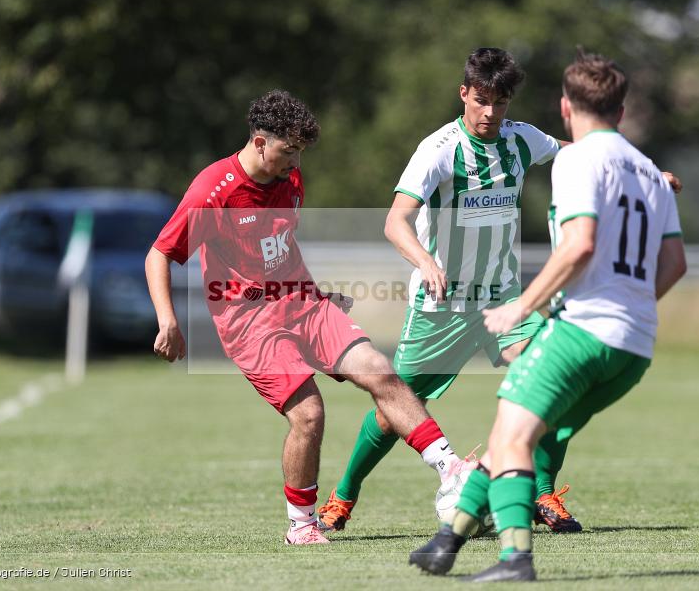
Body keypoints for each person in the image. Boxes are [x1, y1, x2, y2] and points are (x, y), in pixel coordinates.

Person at [318, 47, 681, 535]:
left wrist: (651, 177)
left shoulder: (521, 139)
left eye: (501, 102)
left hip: (505, 298)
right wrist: (425, 261)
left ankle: (545, 492)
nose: (490, 112)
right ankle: (342, 497)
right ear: (465, 92)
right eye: (482, 99)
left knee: (556, 380)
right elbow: (395, 220)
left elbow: (587, 151)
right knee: (395, 410)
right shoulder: (439, 149)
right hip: (442, 305)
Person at [409, 49, 688, 582]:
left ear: (565, 107)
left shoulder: (577, 159)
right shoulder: (651, 173)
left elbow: (578, 245)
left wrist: (522, 304)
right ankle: (448, 541)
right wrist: (629, 308)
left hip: (582, 332)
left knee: (510, 438)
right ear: (622, 113)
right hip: (635, 346)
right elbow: (675, 264)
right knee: (516, 435)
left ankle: (515, 559)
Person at [145, 90, 470, 546]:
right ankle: (301, 524)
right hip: (249, 323)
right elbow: (160, 253)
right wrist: (169, 320)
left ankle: (451, 469)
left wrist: (318, 295)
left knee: (379, 370)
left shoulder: (290, 180)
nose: (296, 163)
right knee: (310, 414)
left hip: (302, 303)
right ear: (260, 142)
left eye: (300, 152)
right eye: (288, 151)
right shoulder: (213, 190)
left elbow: (279, 251)